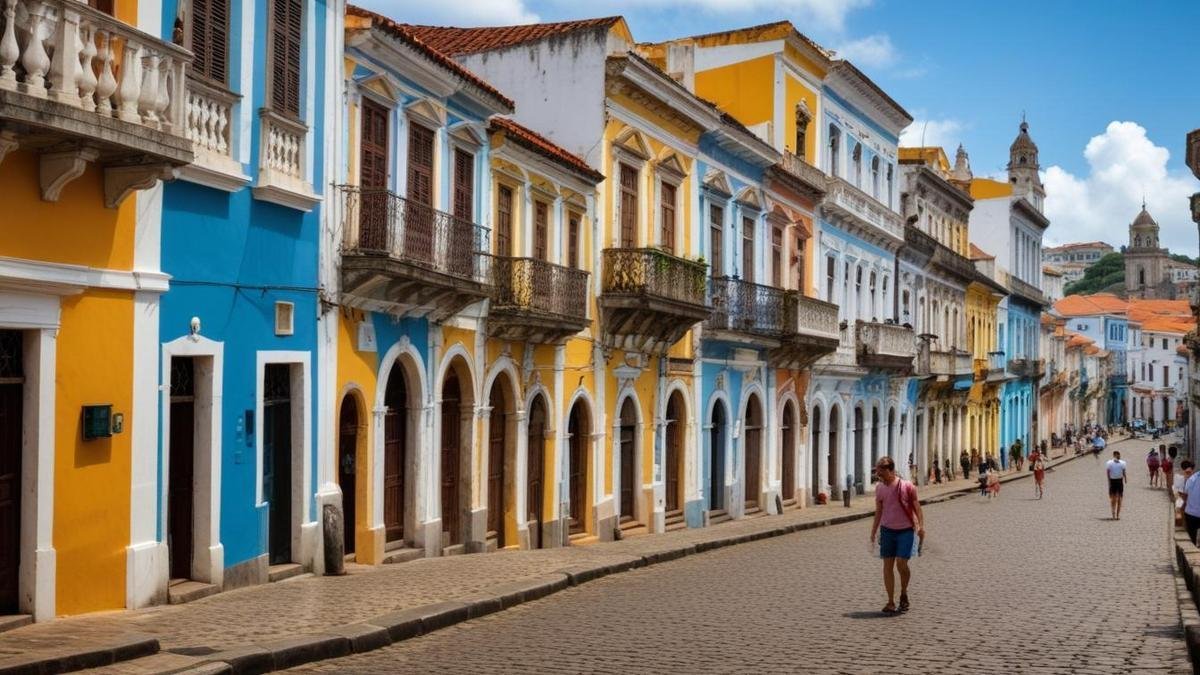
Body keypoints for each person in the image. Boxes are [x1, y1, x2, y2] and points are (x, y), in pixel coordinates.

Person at [869, 456, 925, 615]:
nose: (879, 476)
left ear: (890, 470)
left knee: (901, 563)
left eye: (881, 472)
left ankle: (904, 592)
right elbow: (879, 511)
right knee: (887, 566)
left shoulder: (907, 486)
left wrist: (920, 526)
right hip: (887, 531)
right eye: (878, 473)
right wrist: (874, 531)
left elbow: (917, 508)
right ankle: (890, 601)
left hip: (905, 530)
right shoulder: (880, 488)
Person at [1105, 450, 1128, 520]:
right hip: (1113, 481)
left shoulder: (1123, 463)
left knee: (1120, 499)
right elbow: (1108, 472)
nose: (1118, 456)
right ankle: (1113, 514)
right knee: (1113, 499)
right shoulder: (1109, 463)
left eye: (1119, 455)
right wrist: (1109, 481)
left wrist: (1125, 478)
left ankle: (1118, 514)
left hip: (1119, 481)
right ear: (1114, 455)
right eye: (1117, 455)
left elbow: (1124, 471)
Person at [1183, 460, 1200, 544]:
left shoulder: (1192, 478)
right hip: (1192, 514)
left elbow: (1185, 495)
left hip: (1190, 514)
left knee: (1191, 539)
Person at [1177, 460, 1195, 531]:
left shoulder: (1180, 475)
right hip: (1186, 495)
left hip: (1183, 495)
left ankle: (1184, 527)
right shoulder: (1189, 473)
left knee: (1183, 512)